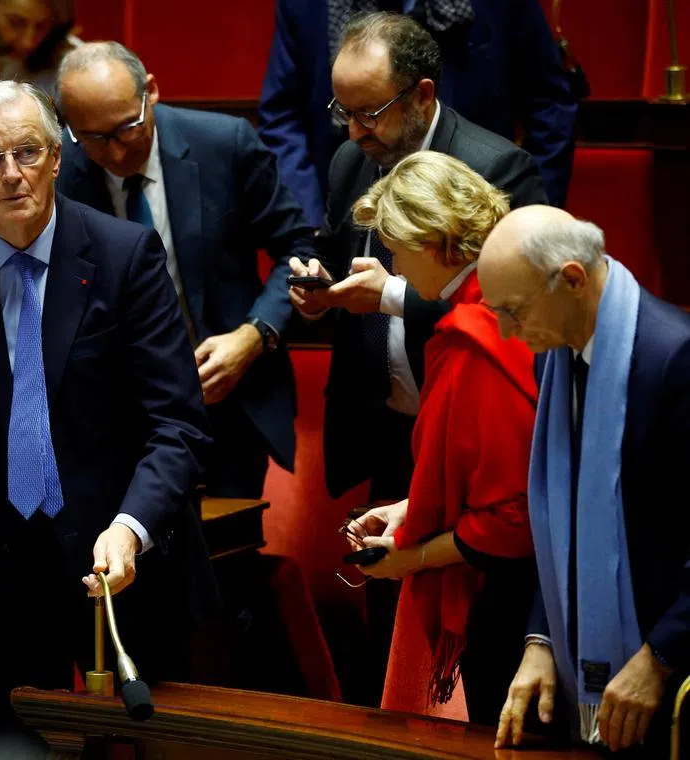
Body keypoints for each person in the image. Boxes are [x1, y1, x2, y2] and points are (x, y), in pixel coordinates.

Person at [0, 81, 218, 712]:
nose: (12, 175)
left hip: (121, 569)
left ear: (58, 158)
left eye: (28, 153)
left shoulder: (126, 256)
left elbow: (177, 425)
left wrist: (131, 528)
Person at [288, 11, 546, 503]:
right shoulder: (351, 161)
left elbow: (522, 313)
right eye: (343, 112)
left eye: (369, 112)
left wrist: (390, 295)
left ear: (422, 95)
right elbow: (334, 250)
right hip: (380, 426)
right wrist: (318, 286)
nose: (353, 132)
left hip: (464, 423)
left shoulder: (496, 169)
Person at [55, 42, 314, 498]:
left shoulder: (225, 144)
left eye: (126, 129)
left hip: (228, 402)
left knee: (231, 555)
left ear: (150, 92)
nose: (115, 153)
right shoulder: (61, 174)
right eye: (94, 138)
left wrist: (253, 336)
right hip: (115, 417)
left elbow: (298, 247)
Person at [481, 207, 690, 756]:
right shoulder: (552, 360)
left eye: (514, 311)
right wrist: (541, 639)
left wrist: (659, 659)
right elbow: (561, 525)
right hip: (591, 676)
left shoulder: (675, 360)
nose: (505, 331)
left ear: (572, 279)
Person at [342, 152, 537, 725]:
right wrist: (409, 507)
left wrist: (415, 558)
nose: (393, 268)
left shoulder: (475, 340)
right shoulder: (499, 304)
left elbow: (512, 515)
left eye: (396, 250)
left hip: (505, 597)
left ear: (432, 242)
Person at [258, 0, 576, 227]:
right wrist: (310, 224)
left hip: (474, 215)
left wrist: (527, 216)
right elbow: (281, 116)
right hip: (354, 212)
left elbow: (550, 105)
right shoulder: (303, 6)